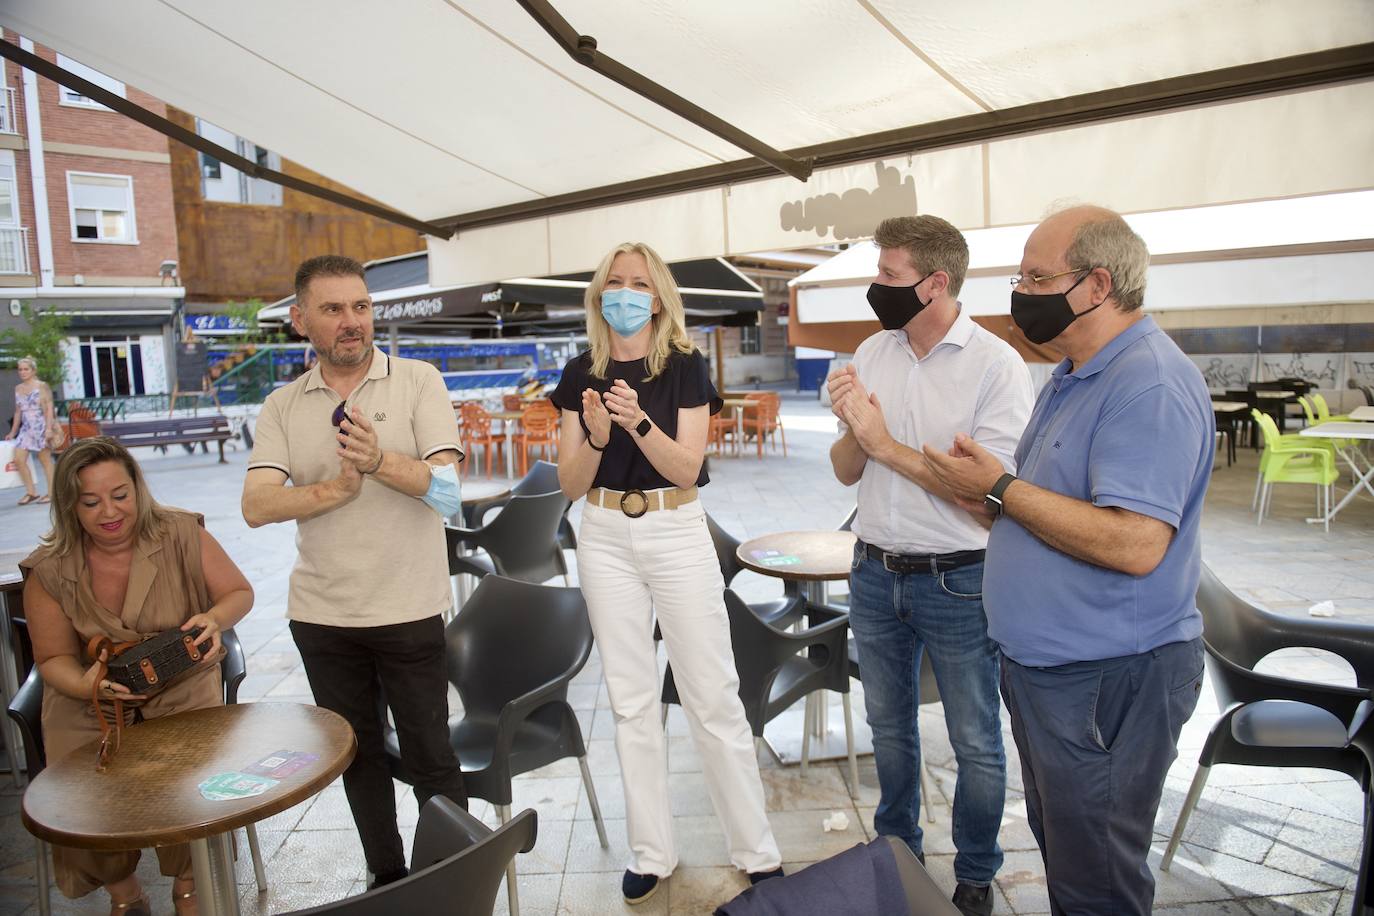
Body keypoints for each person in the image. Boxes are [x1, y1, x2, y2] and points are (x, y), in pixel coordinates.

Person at [923, 205, 1212, 915]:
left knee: (1097, 885)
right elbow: (1043, 507)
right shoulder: (1077, 372)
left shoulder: (1146, 383)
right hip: (1052, 672)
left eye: (1036, 276)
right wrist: (983, 492)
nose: (1021, 291)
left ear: (1096, 285)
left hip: (1108, 677)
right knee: (1071, 862)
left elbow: (1136, 543)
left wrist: (997, 484)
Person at [552, 242, 783, 905]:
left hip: (676, 528)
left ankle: (756, 851)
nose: (626, 293)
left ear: (659, 298)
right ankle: (652, 852)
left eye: (639, 284)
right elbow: (568, 484)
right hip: (601, 534)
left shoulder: (683, 368)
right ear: (600, 296)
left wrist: (635, 422)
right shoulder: (578, 374)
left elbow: (688, 467)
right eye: (614, 283)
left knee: (711, 695)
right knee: (630, 702)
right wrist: (597, 436)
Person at [826, 215, 1033, 916]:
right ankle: (896, 853)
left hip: (960, 578)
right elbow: (844, 469)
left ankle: (975, 873)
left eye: (887, 274)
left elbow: (990, 503)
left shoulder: (996, 367)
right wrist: (857, 431)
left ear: (935, 283)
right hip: (874, 571)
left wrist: (884, 443)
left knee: (976, 739)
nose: (875, 287)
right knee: (888, 727)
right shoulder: (872, 350)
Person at [241, 254, 467, 889]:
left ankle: (451, 882)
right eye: (333, 309)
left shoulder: (419, 381)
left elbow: (450, 493)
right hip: (322, 617)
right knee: (356, 759)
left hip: (409, 607)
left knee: (432, 757)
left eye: (361, 307)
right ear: (301, 321)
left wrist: (379, 462)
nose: (351, 322)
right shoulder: (282, 405)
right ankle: (388, 879)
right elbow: (256, 505)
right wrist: (332, 493)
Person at [20, 437, 254, 916]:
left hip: (181, 685)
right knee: (79, 794)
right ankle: (124, 892)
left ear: (137, 489)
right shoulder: (49, 569)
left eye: (120, 495)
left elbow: (238, 592)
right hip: (91, 698)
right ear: (71, 506)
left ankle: (191, 884)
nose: (110, 511)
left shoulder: (181, 533)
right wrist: (90, 685)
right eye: (92, 501)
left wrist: (215, 619)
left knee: (197, 783)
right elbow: (52, 661)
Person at [6, 355, 58, 505]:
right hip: (26, 429)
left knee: (45, 460)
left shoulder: (42, 386)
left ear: (33, 371)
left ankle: (51, 493)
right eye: (20, 369)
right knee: (18, 459)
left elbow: (49, 409)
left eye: (26, 369)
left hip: (41, 426)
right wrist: (13, 432)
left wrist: (48, 429)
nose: (22, 372)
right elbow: (18, 412)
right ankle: (31, 493)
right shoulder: (18, 388)